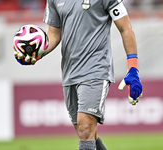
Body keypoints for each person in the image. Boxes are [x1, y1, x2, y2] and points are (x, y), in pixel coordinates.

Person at [14, 0, 143, 149]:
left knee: (85, 129)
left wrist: (133, 69)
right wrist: (37, 53)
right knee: (88, 134)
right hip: (70, 72)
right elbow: (54, 34)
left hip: (96, 68)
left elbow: (125, 28)